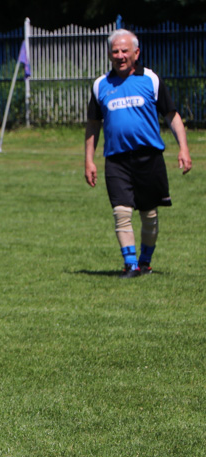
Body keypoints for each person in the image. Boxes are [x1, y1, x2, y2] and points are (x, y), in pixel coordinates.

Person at [85, 29, 192, 278]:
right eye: (115, 52)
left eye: (125, 51)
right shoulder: (101, 85)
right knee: (121, 211)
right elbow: (92, 124)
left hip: (149, 157)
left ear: (136, 52)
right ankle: (130, 264)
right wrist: (88, 160)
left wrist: (183, 148)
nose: (120, 56)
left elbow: (172, 116)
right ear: (109, 55)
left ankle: (145, 261)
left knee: (149, 214)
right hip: (116, 159)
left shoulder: (150, 79)